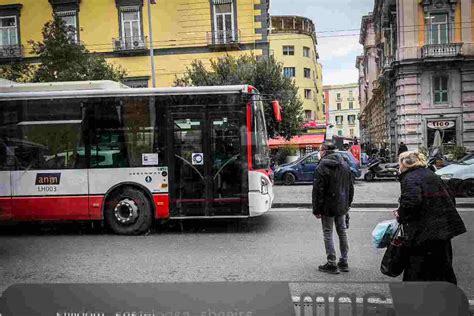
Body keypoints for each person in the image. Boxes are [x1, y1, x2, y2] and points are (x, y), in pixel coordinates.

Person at [395, 151, 466, 284]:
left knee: (416, 268)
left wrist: (400, 214)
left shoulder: (410, 177)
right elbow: (450, 197)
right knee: (442, 267)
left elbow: (411, 202)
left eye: (399, 162)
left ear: (405, 164)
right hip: (443, 228)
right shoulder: (429, 174)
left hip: (425, 232)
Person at [312, 141, 354, 274]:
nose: (319, 153)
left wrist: (317, 209)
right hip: (342, 205)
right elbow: (350, 188)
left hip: (327, 206)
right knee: (342, 232)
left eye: (320, 150)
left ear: (324, 151)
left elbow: (318, 190)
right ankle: (344, 261)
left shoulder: (322, 166)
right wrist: (348, 204)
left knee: (328, 233)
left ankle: (331, 263)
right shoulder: (345, 164)